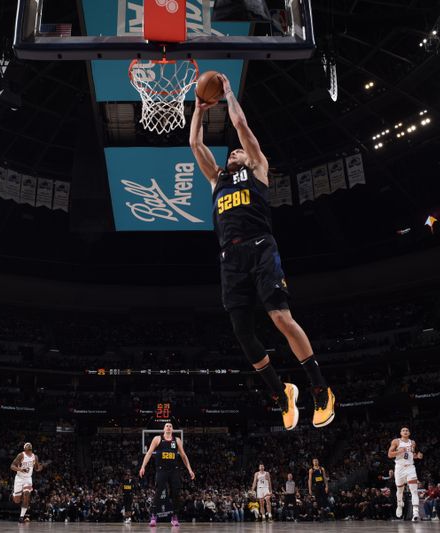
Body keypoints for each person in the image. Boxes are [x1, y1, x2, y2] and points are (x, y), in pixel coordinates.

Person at [189, 73, 335, 431]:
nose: (235, 150)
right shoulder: (217, 179)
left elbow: (240, 124)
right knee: (241, 331)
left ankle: (321, 390)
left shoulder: (257, 169)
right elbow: (195, 144)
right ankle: (282, 392)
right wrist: (198, 110)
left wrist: (226, 93)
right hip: (230, 257)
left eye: (238, 149)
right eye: (232, 150)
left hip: (260, 247)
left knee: (281, 319)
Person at [139, 422, 195, 527]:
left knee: (175, 493)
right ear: (164, 429)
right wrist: (143, 466)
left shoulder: (177, 440)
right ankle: (153, 516)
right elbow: (149, 453)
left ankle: (174, 517)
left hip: (174, 470)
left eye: (170, 426)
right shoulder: (157, 439)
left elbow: (183, 455)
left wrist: (190, 469)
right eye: (167, 426)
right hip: (161, 470)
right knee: (158, 491)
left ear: (172, 429)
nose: (168, 427)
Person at [388, 426, 423, 521]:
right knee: (400, 490)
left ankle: (416, 513)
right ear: (400, 433)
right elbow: (389, 454)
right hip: (399, 468)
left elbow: (411, 455)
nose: (405, 431)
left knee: (414, 490)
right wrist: (399, 451)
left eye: (407, 430)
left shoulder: (412, 443)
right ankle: (399, 504)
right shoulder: (396, 441)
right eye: (403, 430)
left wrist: (417, 456)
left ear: (409, 433)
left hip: (410, 468)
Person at [11, 442, 43, 523]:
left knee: (26, 495)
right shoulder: (21, 455)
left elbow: (36, 468)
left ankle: (21, 517)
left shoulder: (35, 457)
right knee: (17, 500)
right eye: (27, 447)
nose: (28, 448)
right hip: (19, 478)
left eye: (30, 447)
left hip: (28, 479)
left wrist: (40, 468)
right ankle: (15, 494)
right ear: (24, 449)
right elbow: (12, 466)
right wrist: (21, 469)